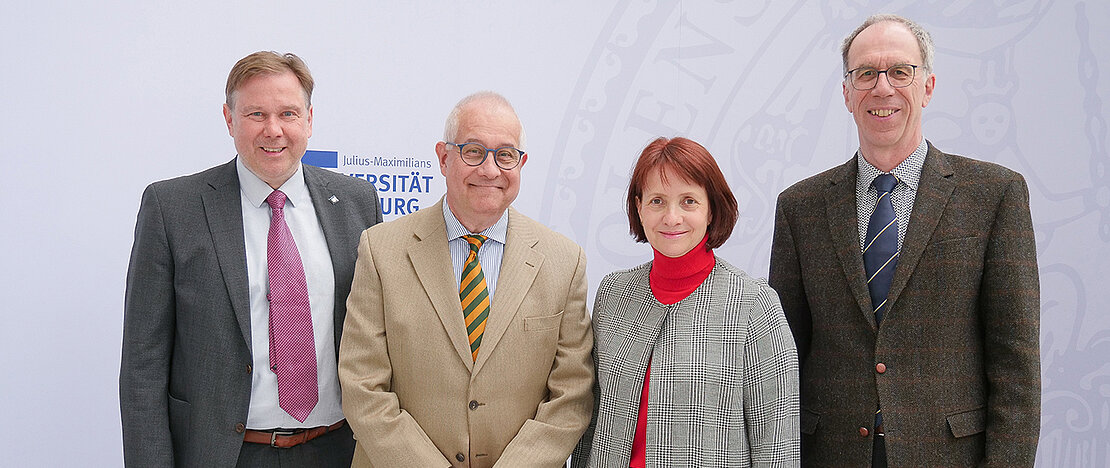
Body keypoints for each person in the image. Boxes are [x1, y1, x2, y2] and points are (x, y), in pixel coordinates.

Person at [769, 14, 1041, 467]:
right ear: (846, 93)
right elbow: (782, 360)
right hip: (830, 454)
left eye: (900, 71)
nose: (883, 88)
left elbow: (1016, 364)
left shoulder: (994, 194)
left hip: (949, 455)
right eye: (866, 73)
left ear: (927, 87)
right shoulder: (800, 207)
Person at [119, 51, 382, 467]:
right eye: (256, 114)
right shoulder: (173, 209)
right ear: (229, 120)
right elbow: (143, 366)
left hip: (338, 450)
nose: (273, 130)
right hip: (225, 455)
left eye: (288, 113)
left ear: (309, 120)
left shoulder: (356, 202)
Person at [338, 91, 594, 467]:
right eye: (473, 151)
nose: (490, 170)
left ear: (521, 164)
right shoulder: (381, 250)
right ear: (444, 158)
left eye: (505, 155)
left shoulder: (564, 261)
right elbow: (362, 386)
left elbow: (572, 394)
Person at [572, 137, 799, 467]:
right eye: (657, 201)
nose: (672, 217)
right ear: (639, 207)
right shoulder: (613, 295)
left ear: (711, 210)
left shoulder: (753, 304)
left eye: (688, 201)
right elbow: (590, 423)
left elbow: (777, 445)